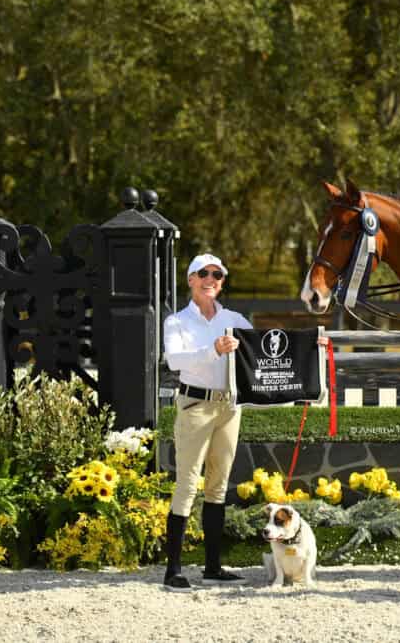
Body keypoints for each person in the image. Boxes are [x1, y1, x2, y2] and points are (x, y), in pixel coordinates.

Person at [162, 253, 253, 591]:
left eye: (217, 274)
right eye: (203, 273)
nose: (211, 279)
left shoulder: (234, 318)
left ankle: (213, 566)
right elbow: (174, 360)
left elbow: (266, 349)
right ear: (190, 279)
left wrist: (310, 347)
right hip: (195, 405)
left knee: (218, 485)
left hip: (229, 407)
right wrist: (213, 349)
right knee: (187, 486)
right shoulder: (177, 322)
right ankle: (173, 570)